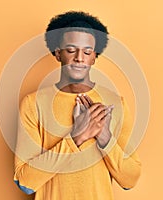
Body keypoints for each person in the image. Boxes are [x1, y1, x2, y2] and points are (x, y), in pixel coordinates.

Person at [13, 11, 141, 200]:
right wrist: (76, 137)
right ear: (58, 53)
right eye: (71, 50)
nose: (79, 58)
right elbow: (25, 182)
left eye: (87, 52)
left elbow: (130, 179)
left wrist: (104, 136)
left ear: (94, 57)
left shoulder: (115, 104)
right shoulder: (34, 104)